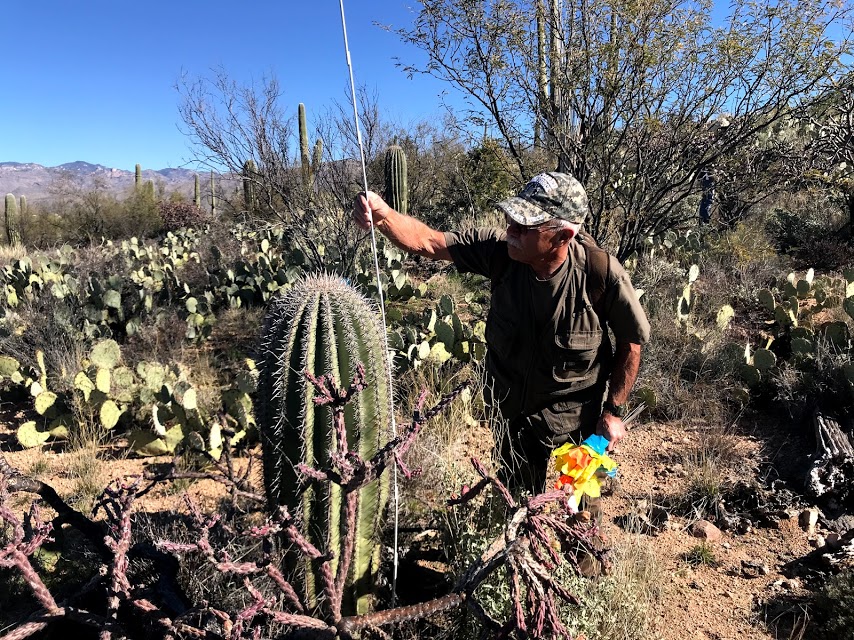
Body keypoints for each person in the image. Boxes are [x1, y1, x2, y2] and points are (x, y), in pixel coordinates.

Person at [354, 172, 650, 494]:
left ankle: (588, 536)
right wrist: (384, 218)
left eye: (524, 226)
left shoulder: (601, 273)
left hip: (579, 417)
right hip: (515, 417)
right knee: (517, 504)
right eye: (511, 219)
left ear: (562, 236)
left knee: (584, 509)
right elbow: (429, 241)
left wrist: (613, 412)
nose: (510, 231)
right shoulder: (500, 252)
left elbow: (631, 345)